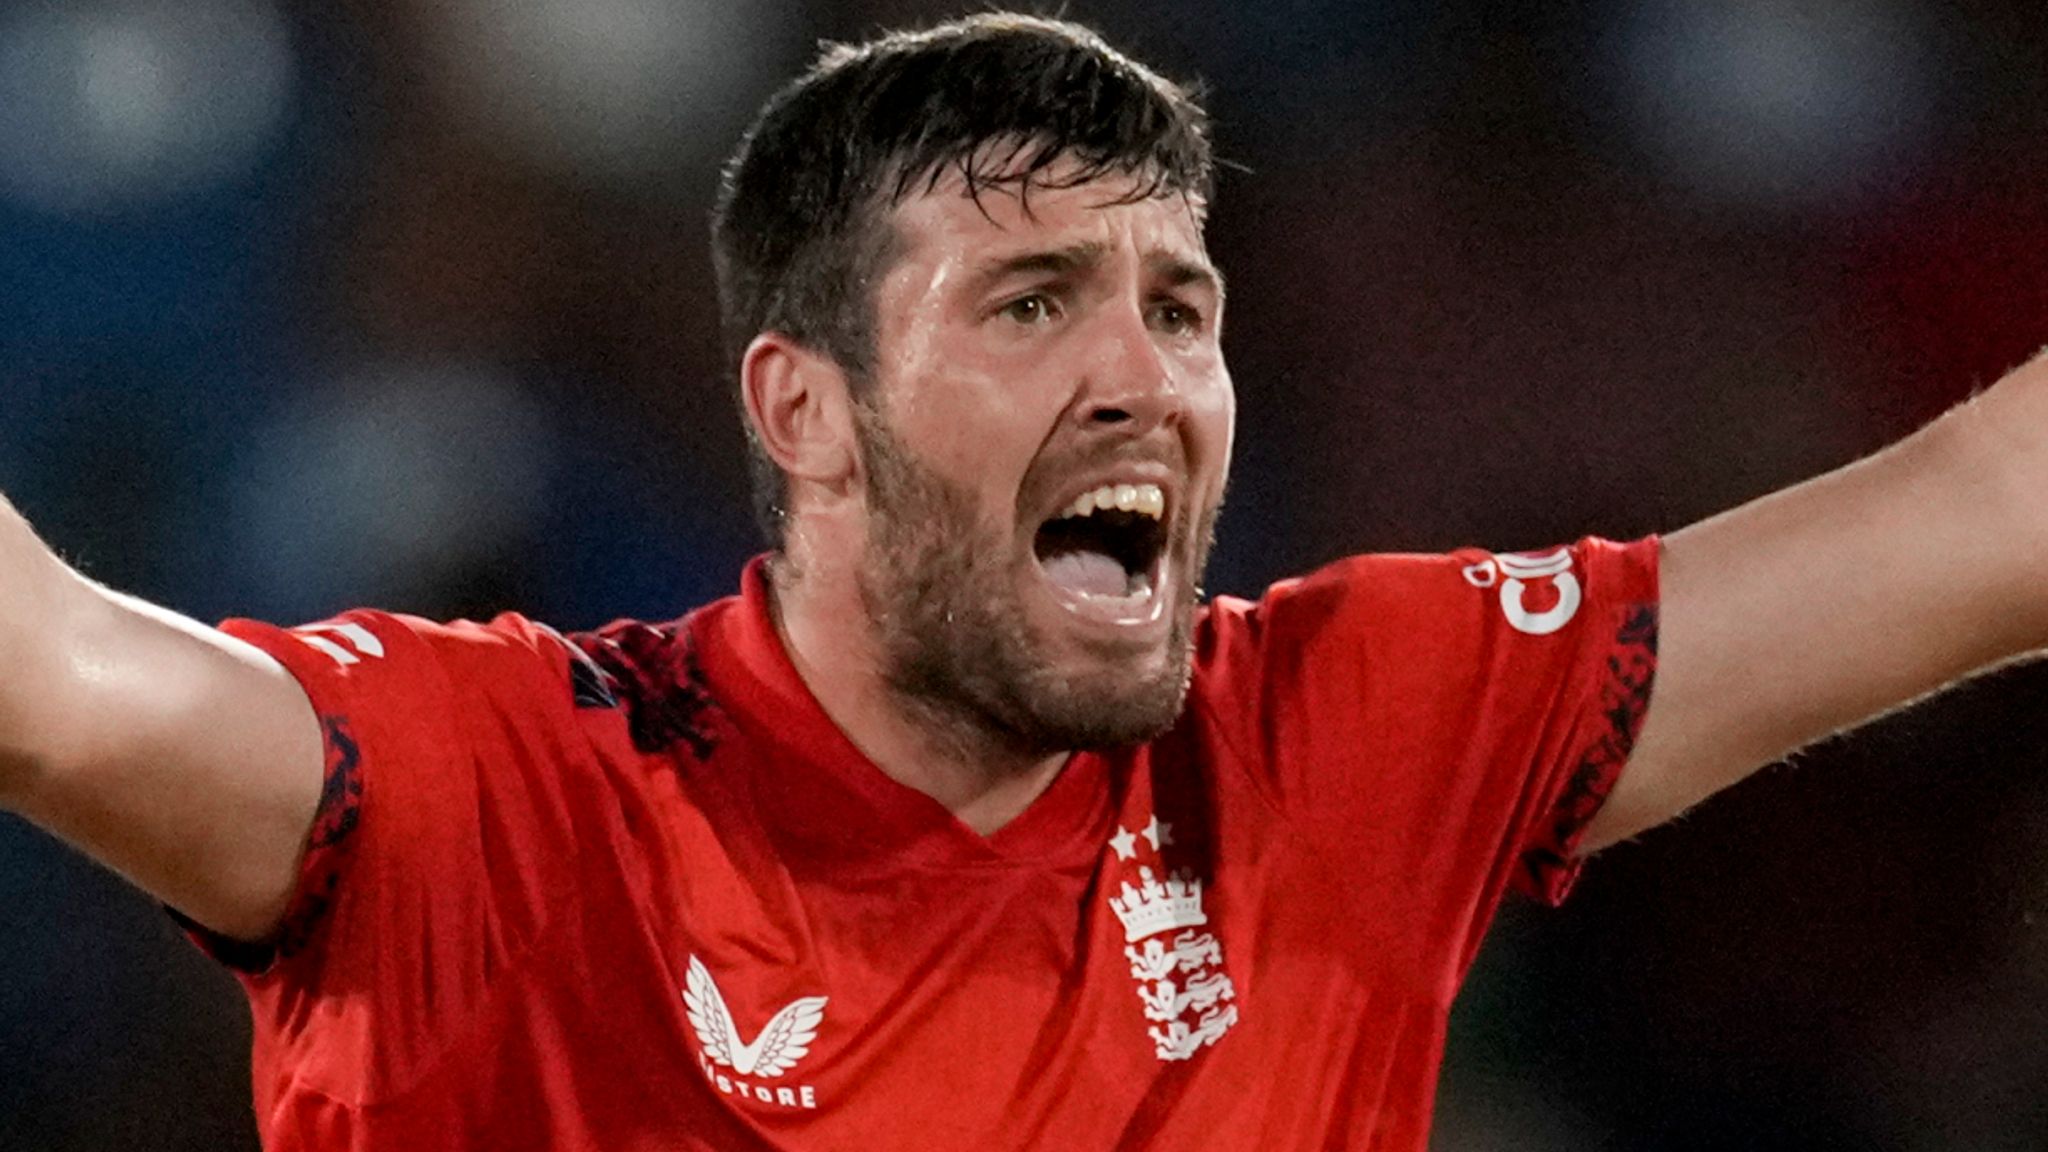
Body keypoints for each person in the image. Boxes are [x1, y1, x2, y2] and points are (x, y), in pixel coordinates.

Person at [0, 12, 2042, 1151]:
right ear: (805, 412)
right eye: (1034, 306)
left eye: (1182, 308)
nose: (1143, 381)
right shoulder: (515, 797)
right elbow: (61, 679)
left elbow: (1983, 510)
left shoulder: (1336, 745)